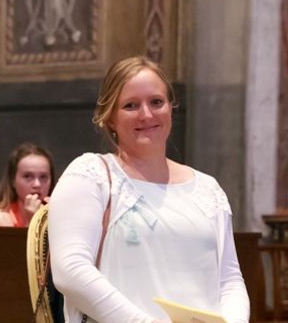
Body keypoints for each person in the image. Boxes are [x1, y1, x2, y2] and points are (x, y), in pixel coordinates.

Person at [48, 56, 250, 323]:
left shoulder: (208, 188)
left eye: (156, 102)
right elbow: (70, 271)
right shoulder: (91, 175)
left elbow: (230, 279)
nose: (146, 115)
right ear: (110, 119)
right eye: (131, 105)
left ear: (170, 108)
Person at [0, 142, 54, 226]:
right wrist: (33, 221)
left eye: (43, 177)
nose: (37, 184)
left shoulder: (56, 213)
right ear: (13, 180)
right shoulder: (0, 217)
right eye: (28, 176)